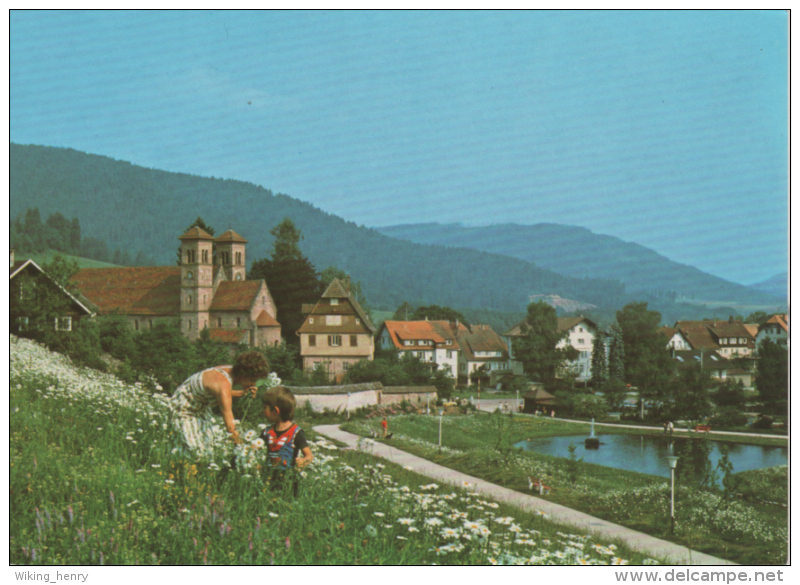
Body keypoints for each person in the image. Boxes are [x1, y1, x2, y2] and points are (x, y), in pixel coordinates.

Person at [170, 351, 269, 457]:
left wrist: (242, 393)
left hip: (200, 408)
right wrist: (243, 450)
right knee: (197, 452)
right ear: (244, 374)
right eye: (252, 380)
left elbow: (219, 393)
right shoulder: (223, 383)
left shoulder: (230, 370)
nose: (253, 384)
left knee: (209, 450)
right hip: (183, 409)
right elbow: (230, 425)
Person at [260, 385, 313, 495]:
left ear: (275, 411)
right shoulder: (266, 432)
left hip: (288, 481)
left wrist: (303, 461)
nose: (262, 410)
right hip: (268, 478)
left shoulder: (296, 432)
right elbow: (255, 449)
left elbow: (309, 455)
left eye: (265, 407)